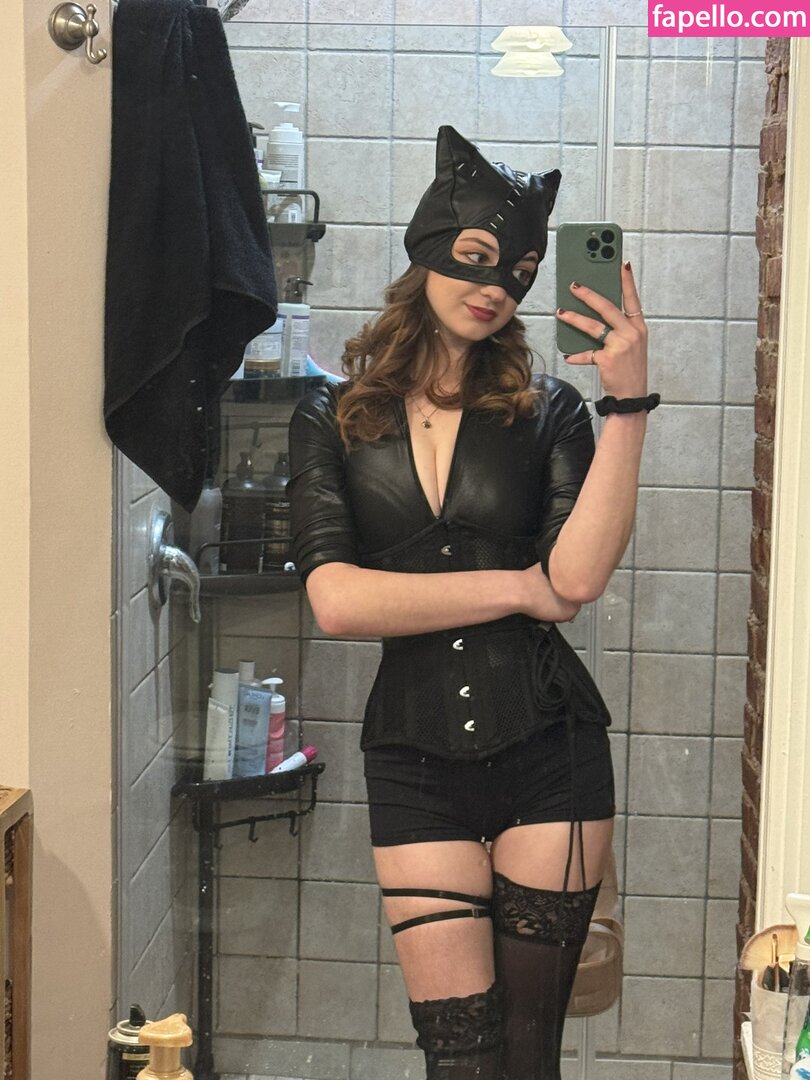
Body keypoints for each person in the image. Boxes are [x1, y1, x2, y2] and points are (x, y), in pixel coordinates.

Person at [287, 125, 655, 1080]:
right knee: (457, 1057)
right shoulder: (332, 413)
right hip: (413, 758)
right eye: (479, 256)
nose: (496, 286)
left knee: (529, 1055)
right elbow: (336, 601)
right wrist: (516, 586)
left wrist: (626, 405)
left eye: (521, 271)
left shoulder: (551, 409)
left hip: (551, 751)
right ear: (428, 247)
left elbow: (577, 581)